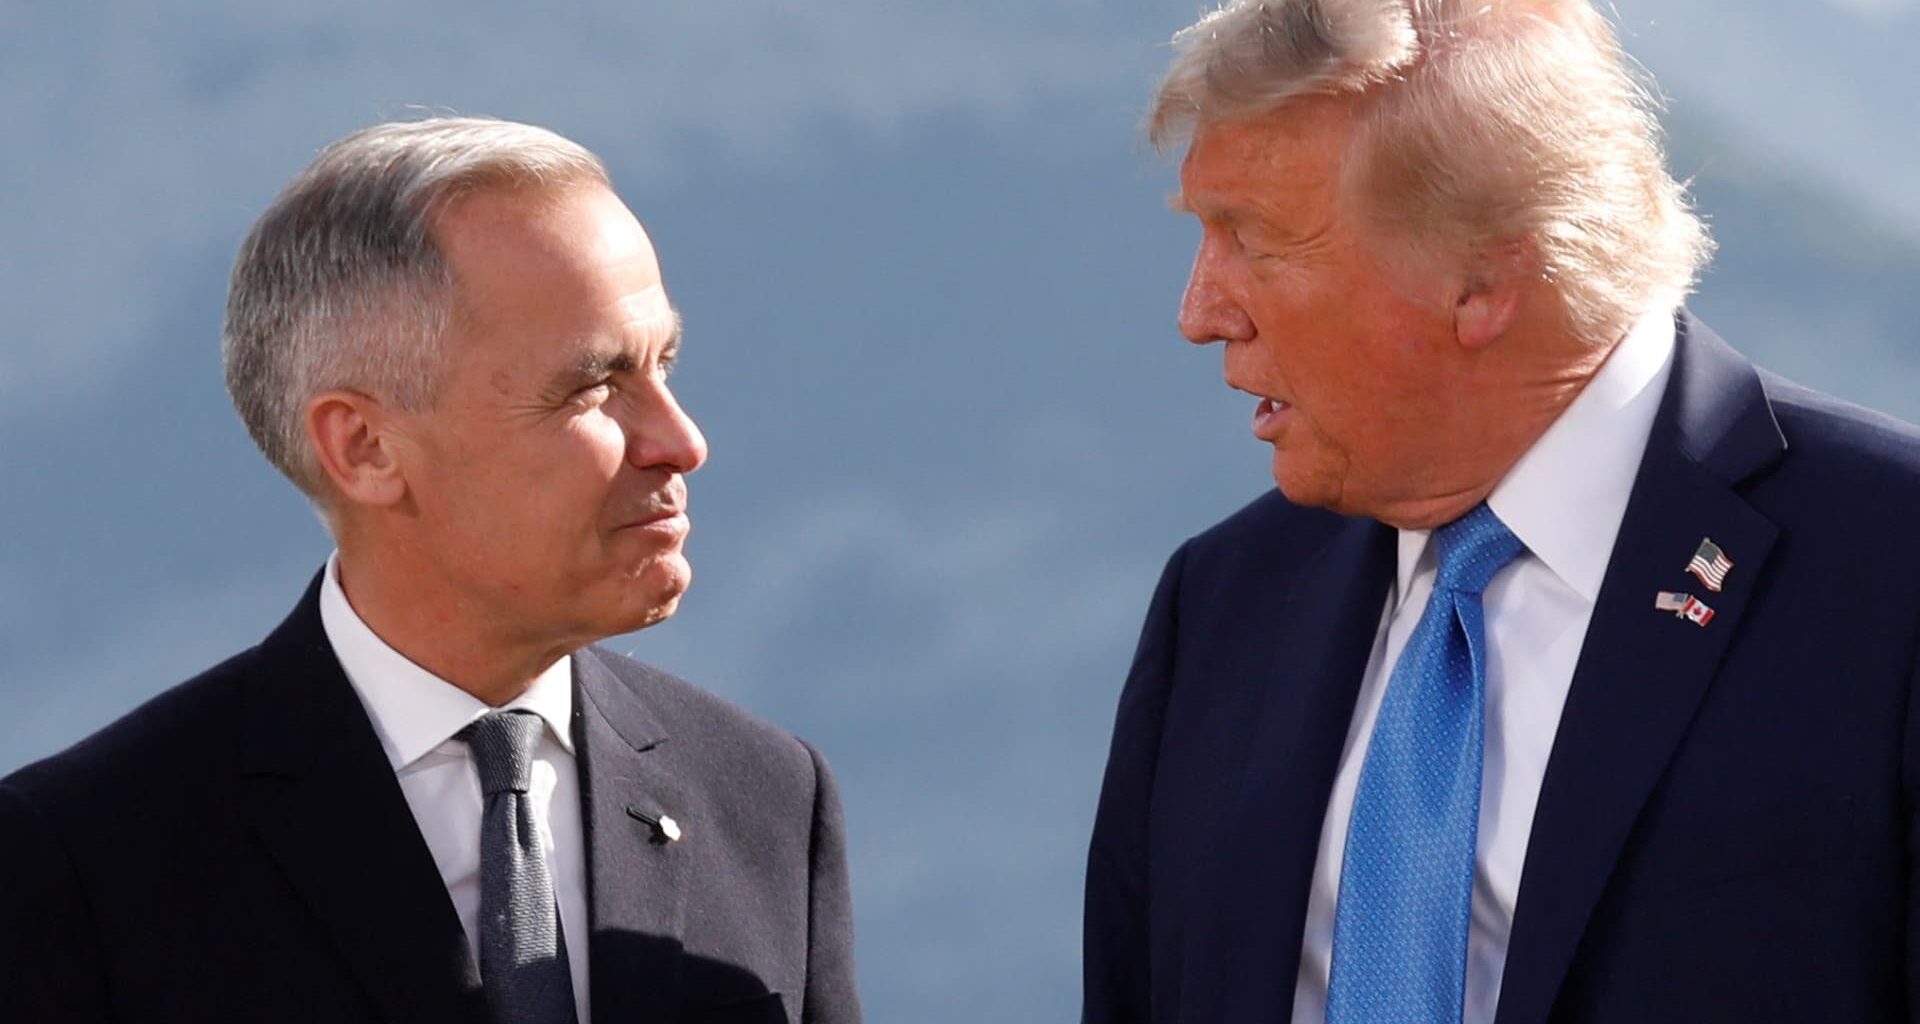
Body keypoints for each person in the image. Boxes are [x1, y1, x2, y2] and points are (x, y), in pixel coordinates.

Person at [1083, 2, 1920, 1022]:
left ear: (1483, 277)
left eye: (1253, 242)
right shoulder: (1221, 607)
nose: (1199, 313)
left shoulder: (1890, 573)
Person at [0, 117, 861, 1024]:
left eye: (664, 366)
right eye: (594, 386)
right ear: (364, 447)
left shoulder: (767, 799)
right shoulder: (84, 861)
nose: (681, 442)